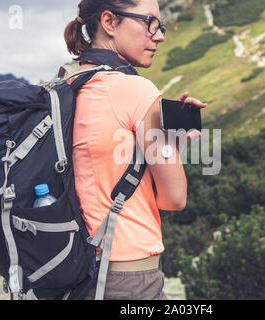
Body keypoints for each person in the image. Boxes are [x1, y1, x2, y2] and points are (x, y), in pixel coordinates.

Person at [64, 0, 206, 300]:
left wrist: (168, 141)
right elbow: (174, 198)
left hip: (72, 267)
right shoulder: (135, 90)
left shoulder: (69, 84)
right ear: (110, 22)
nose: (160, 36)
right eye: (149, 22)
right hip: (129, 275)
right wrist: (172, 144)